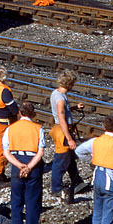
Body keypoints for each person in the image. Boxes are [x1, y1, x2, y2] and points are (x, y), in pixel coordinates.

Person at [2, 101, 46, 224]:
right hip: (33, 166)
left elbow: (6, 152)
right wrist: (29, 167)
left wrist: (20, 166)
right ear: (32, 114)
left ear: (20, 113)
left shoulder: (11, 129)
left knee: (16, 202)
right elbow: (40, 152)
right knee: (32, 203)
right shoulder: (38, 128)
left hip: (16, 163)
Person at [49, 70, 88, 205]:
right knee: (61, 160)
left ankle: (77, 182)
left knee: (70, 158)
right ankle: (56, 189)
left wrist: (74, 107)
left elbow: (63, 111)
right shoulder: (60, 99)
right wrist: (69, 139)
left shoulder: (56, 93)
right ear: (69, 84)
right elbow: (62, 119)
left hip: (61, 129)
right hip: (62, 131)